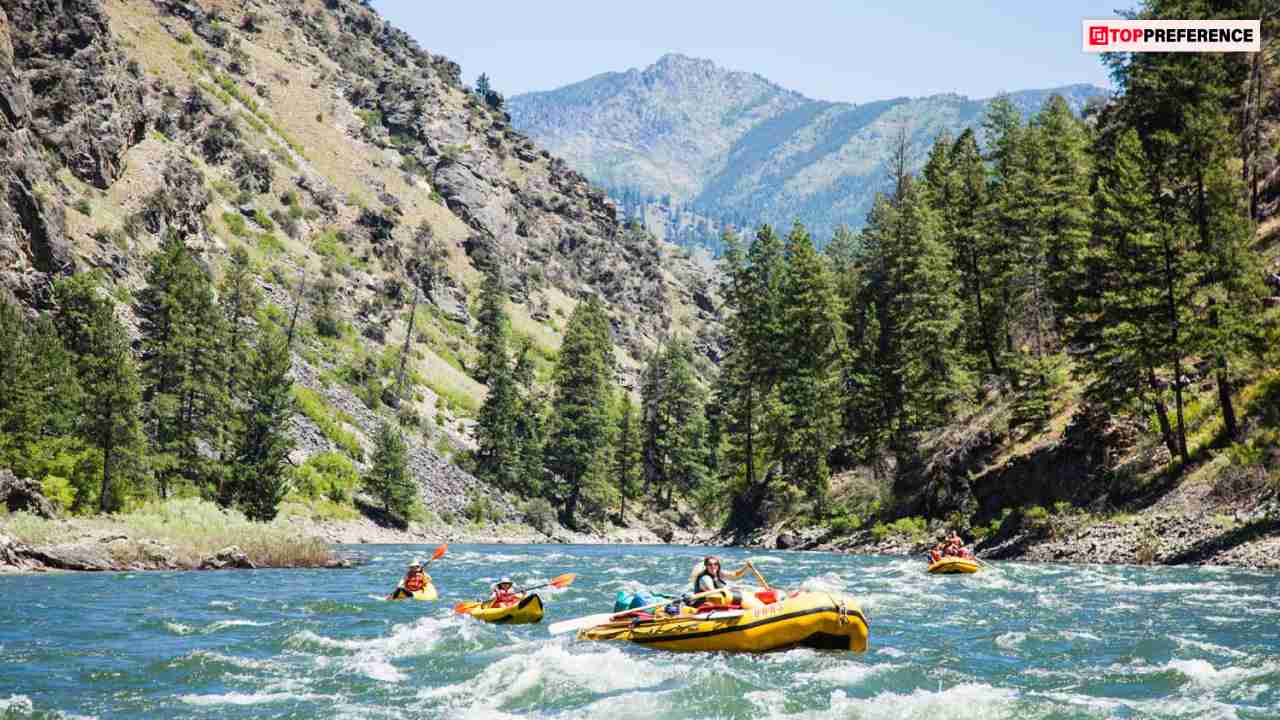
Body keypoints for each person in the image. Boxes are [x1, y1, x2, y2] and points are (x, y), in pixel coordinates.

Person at [686, 556, 761, 609]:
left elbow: (735, 575)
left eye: (715, 564)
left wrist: (746, 567)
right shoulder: (705, 578)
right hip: (704, 603)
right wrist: (728, 590)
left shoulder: (718, 573)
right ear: (706, 566)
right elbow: (712, 593)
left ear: (718, 565)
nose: (713, 566)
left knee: (743, 593)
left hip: (717, 601)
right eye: (710, 564)